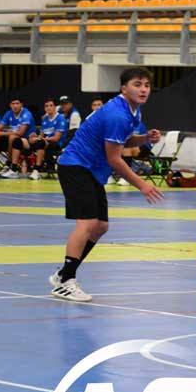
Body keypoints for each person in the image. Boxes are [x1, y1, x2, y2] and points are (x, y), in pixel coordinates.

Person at [50, 67, 164, 302]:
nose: (143, 89)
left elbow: (121, 139)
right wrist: (142, 184)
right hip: (76, 166)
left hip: (91, 170)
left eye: (147, 85)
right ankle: (65, 281)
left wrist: (144, 138)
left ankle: (64, 273)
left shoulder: (133, 111)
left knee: (101, 226)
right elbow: (115, 158)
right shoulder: (117, 114)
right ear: (124, 88)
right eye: (137, 84)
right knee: (88, 223)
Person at [9, 98, 66, 180]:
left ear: (55, 107)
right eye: (46, 106)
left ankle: (36, 171)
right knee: (17, 141)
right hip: (44, 141)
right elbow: (42, 133)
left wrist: (39, 138)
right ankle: (13, 170)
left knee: (40, 143)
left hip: (56, 144)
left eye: (51, 105)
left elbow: (56, 138)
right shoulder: (45, 118)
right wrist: (34, 137)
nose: (48, 107)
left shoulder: (60, 118)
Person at [0, 97, 35, 177]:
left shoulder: (26, 114)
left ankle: (9, 165)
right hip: (13, 140)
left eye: (17, 103)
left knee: (12, 137)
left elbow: (20, 133)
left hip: (26, 141)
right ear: (10, 105)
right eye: (13, 104)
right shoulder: (9, 113)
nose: (15, 106)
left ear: (21, 104)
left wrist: (1, 134)